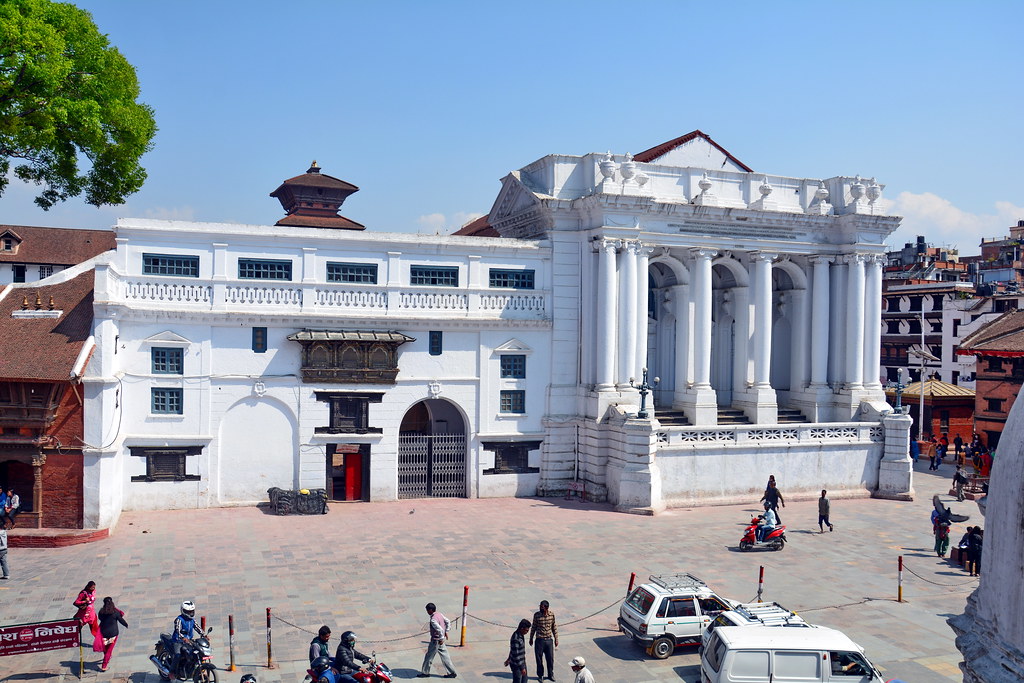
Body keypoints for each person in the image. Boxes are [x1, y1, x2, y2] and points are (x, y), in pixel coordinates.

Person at [417, 602, 457, 678]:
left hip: (436, 640)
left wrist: (442, 637)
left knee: (428, 657)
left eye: (427, 610)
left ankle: (425, 672)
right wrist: (447, 631)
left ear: (431, 610)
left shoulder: (433, 620)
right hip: (440, 641)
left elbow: (440, 629)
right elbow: (448, 621)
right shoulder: (439, 614)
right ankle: (452, 672)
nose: (427, 612)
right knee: (445, 656)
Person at [169, 600, 201, 680]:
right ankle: (172, 672)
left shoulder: (192, 620)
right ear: (183, 611)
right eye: (188, 612)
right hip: (178, 641)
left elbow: (197, 627)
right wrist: (183, 638)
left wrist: (204, 634)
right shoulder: (179, 620)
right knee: (178, 655)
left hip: (188, 641)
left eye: (192, 611)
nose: (191, 613)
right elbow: (178, 630)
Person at [530, 600, 559, 681]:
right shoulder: (536, 615)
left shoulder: (551, 615)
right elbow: (534, 627)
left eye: (542, 607)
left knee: (550, 659)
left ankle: (550, 674)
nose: (540, 608)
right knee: (539, 659)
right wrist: (531, 638)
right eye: (540, 606)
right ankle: (540, 675)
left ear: (546, 608)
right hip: (539, 640)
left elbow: (554, 627)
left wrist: (556, 639)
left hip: (549, 640)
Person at [97, 597, 128, 672]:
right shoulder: (115, 612)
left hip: (103, 633)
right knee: (109, 650)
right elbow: (121, 620)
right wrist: (126, 625)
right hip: (113, 634)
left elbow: (100, 618)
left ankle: (107, 657)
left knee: (106, 648)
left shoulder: (101, 612)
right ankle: (104, 665)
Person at [505, 619, 531, 683]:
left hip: (522, 662)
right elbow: (516, 655)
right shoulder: (516, 639)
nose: (527, 632)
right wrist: (522, 668)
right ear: (522, 628)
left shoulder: (521, 635)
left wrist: (508, 659)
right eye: (526, 630)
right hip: (517, 665)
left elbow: (513, 650)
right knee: (517, 680)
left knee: (524, 680)